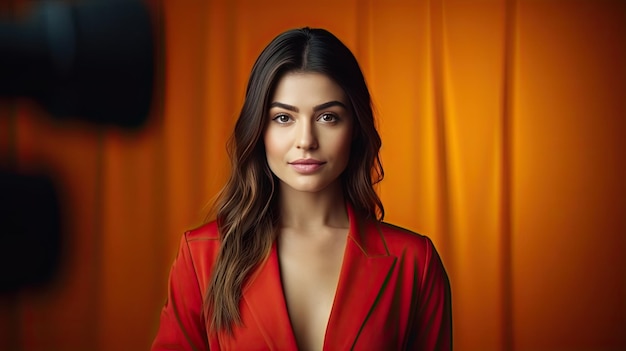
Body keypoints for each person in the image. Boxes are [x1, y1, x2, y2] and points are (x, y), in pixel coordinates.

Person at [152, 27, 452, 351]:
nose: (306, 140)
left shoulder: (414, 263)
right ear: (258, 129)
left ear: (355, 128)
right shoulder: (201, 256)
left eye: (327, 117)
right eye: (283, 118)